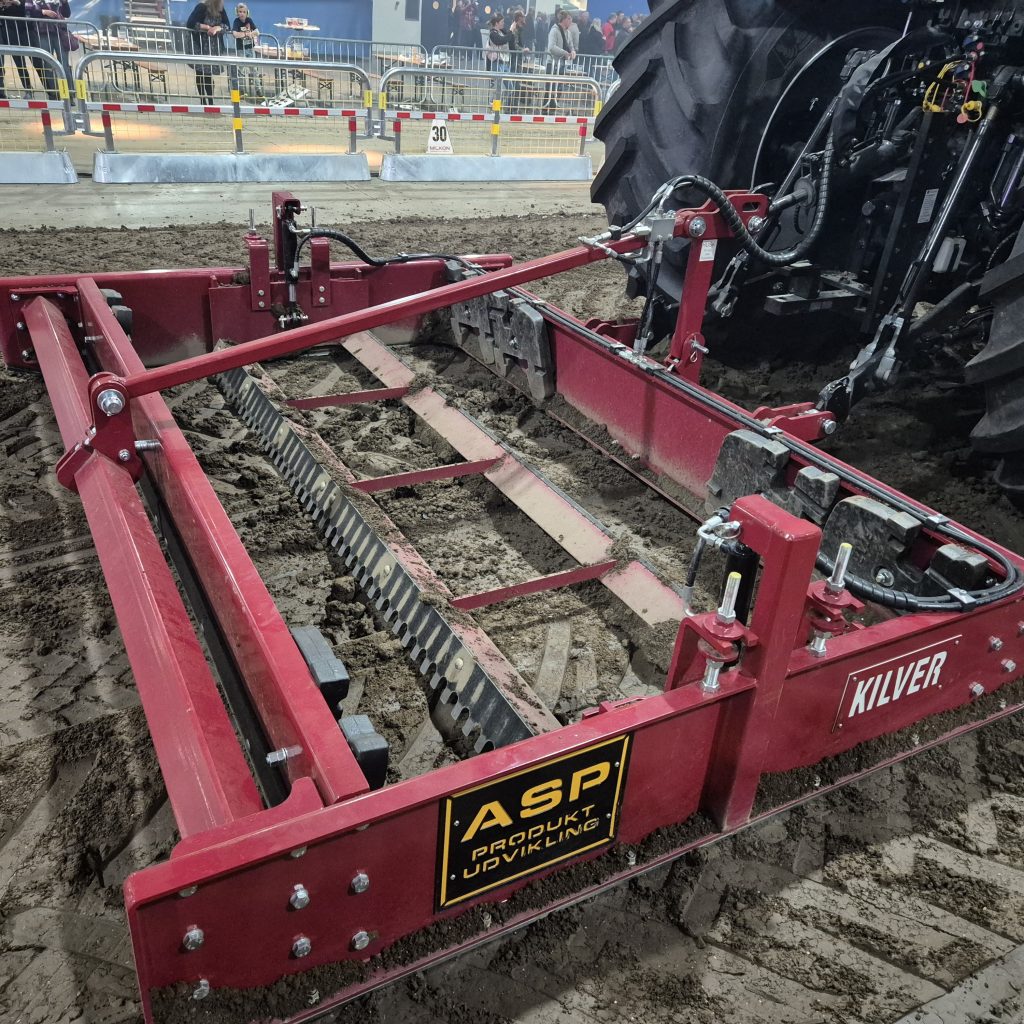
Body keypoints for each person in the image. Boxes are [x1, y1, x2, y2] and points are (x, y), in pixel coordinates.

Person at [0, 0, 47, 99]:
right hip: (10, 34)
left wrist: (15, 2)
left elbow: (24, 8)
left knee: (38, 63)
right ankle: (28, 90)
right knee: (20, 65)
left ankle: (52, 91)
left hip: (27, 31)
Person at [186, 0, 229, 101]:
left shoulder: (221, 9)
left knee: (208, 74)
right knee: (200, 73)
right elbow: (190, 23)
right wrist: (207, 27)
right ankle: (203, 99)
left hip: (213, 47)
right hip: (200, 46)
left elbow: (227, 25)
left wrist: (218, 28)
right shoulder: (202, 7)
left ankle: (210, 100)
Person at [27, 0, 74, 91]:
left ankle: (68, 92)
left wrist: (65, 3)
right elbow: (28, 13)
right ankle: (54, 93)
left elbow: (67, 14)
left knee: (64, 65)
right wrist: (43, 12)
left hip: (60, 32)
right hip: (42, 33)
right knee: (48, 64)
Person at [544, 8, 574, 111]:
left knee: (559, 88)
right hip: (552, 64)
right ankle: (546, 109)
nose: (571, 21)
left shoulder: (568, 33)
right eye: (569, 19)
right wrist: (565, 53)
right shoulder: (554, 30)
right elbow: (551, 47)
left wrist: (573, 51)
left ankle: (553, 109)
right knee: (550, 89)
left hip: (561, 64)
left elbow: (571, 45)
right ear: (564, 19)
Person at [231, 2, 261, 97]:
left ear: (247, 12)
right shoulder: (236, 21)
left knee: (254, 70)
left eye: (244, 12)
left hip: (250, 48)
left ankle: (258, 90)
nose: (242, 14)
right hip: (241, 49)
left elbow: (257, 32)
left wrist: (250, 34)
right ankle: (242, 90)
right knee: (241, 70)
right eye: (240, 11)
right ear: (237, 12)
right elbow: (235, 34)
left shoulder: (249, 20)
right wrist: (245, 34)